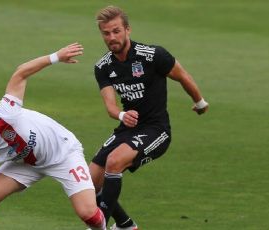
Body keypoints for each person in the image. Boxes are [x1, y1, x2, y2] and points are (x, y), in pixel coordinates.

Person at [0, 43, 106, 230]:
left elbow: (21, 73)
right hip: (28, 163)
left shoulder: (5, 115)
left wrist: (56, 56)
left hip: (63, 153)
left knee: (89, 215)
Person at [89, 5, 209, 230]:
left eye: (116, 31)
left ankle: (100, 225)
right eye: (106, 33)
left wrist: (200, 102)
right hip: (128, 128)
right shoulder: (103, 66)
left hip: (156, 130)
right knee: (90, 179)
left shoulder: (153, 56)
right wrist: (123, 115)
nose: (111, 37)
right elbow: (110, 106)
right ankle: (125, 225)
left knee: (114, 162)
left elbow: (182, 76)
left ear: (128, 30)